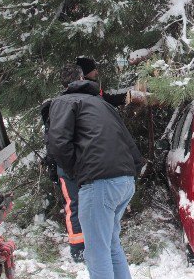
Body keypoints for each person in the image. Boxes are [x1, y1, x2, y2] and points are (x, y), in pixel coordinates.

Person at [47, 63, 143, 279]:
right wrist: (132, 170)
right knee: (110, 244)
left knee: (96, 252)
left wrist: (75, 172)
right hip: (125, 181)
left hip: (99, 183)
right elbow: (128, 141)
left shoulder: (63, 102)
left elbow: (59, 143)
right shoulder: (102, 104)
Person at [41, 64, 88, 263]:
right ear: (80, 78)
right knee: (78, 206)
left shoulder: (54, 105)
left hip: (70, 164)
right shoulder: (87, 101)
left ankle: (79, 248)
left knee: (75, 206)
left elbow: (51, 138)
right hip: (83, 164)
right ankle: (78, 249)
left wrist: (55, 164)